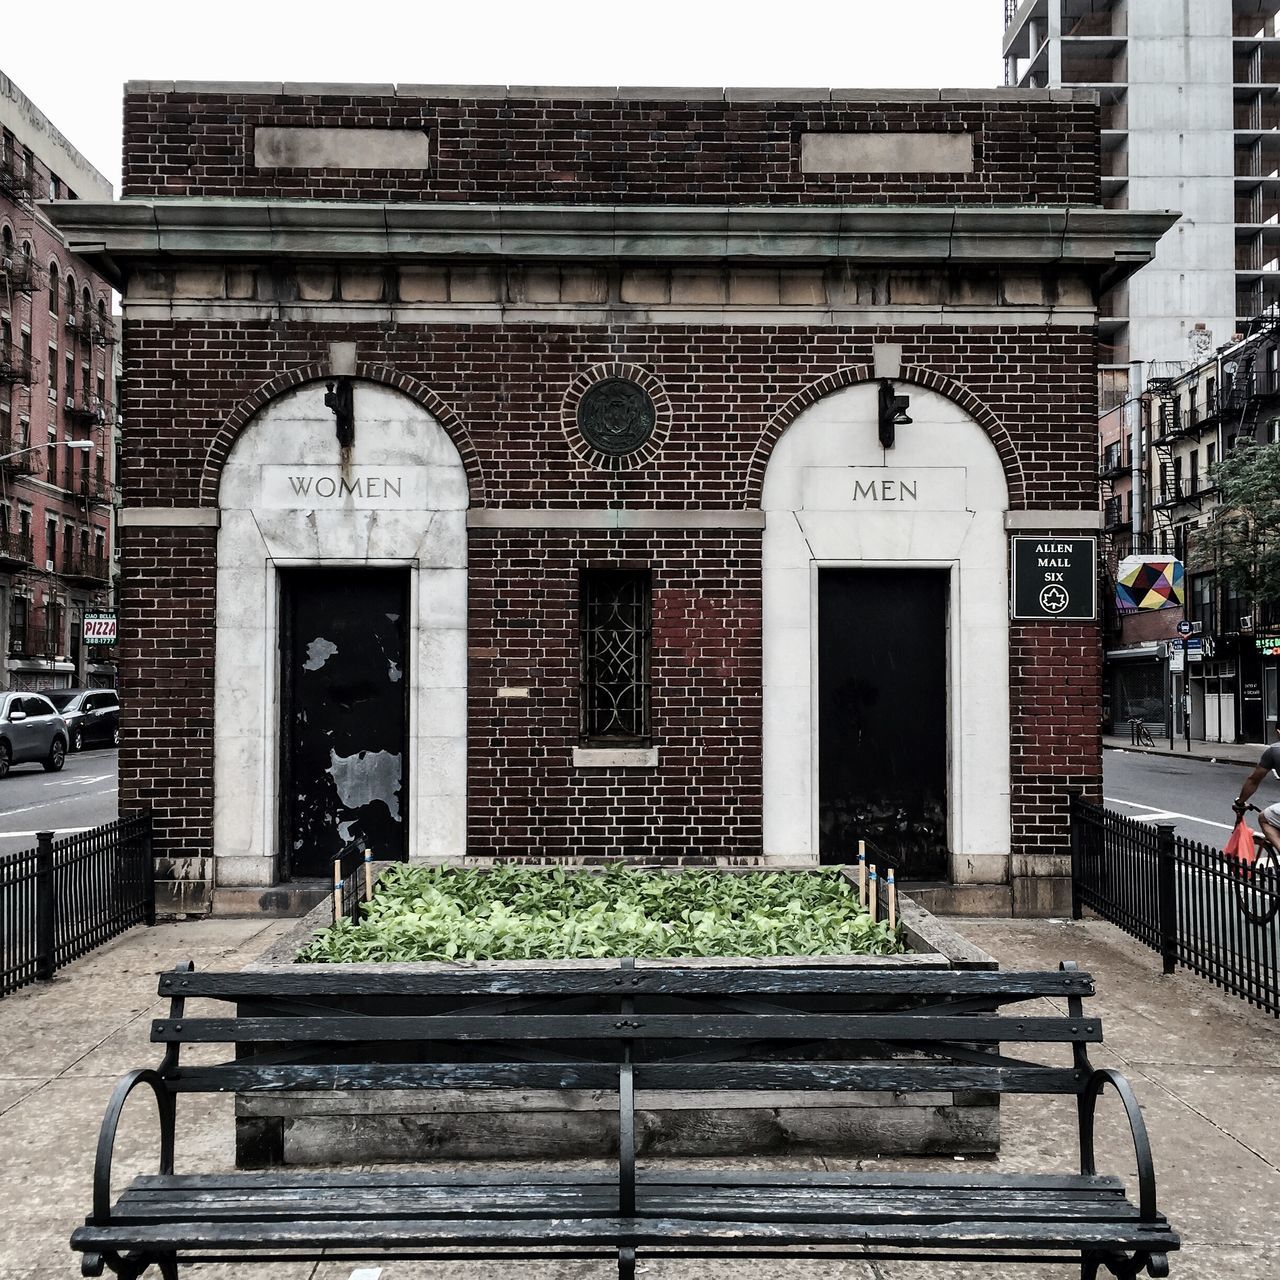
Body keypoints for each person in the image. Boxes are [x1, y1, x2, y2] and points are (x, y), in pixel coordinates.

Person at [1233, 724, 1280, 852]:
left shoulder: (1274, 751)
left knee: (1264, 818)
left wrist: (1240, 802)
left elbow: (1253, 781)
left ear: (1278, 731)